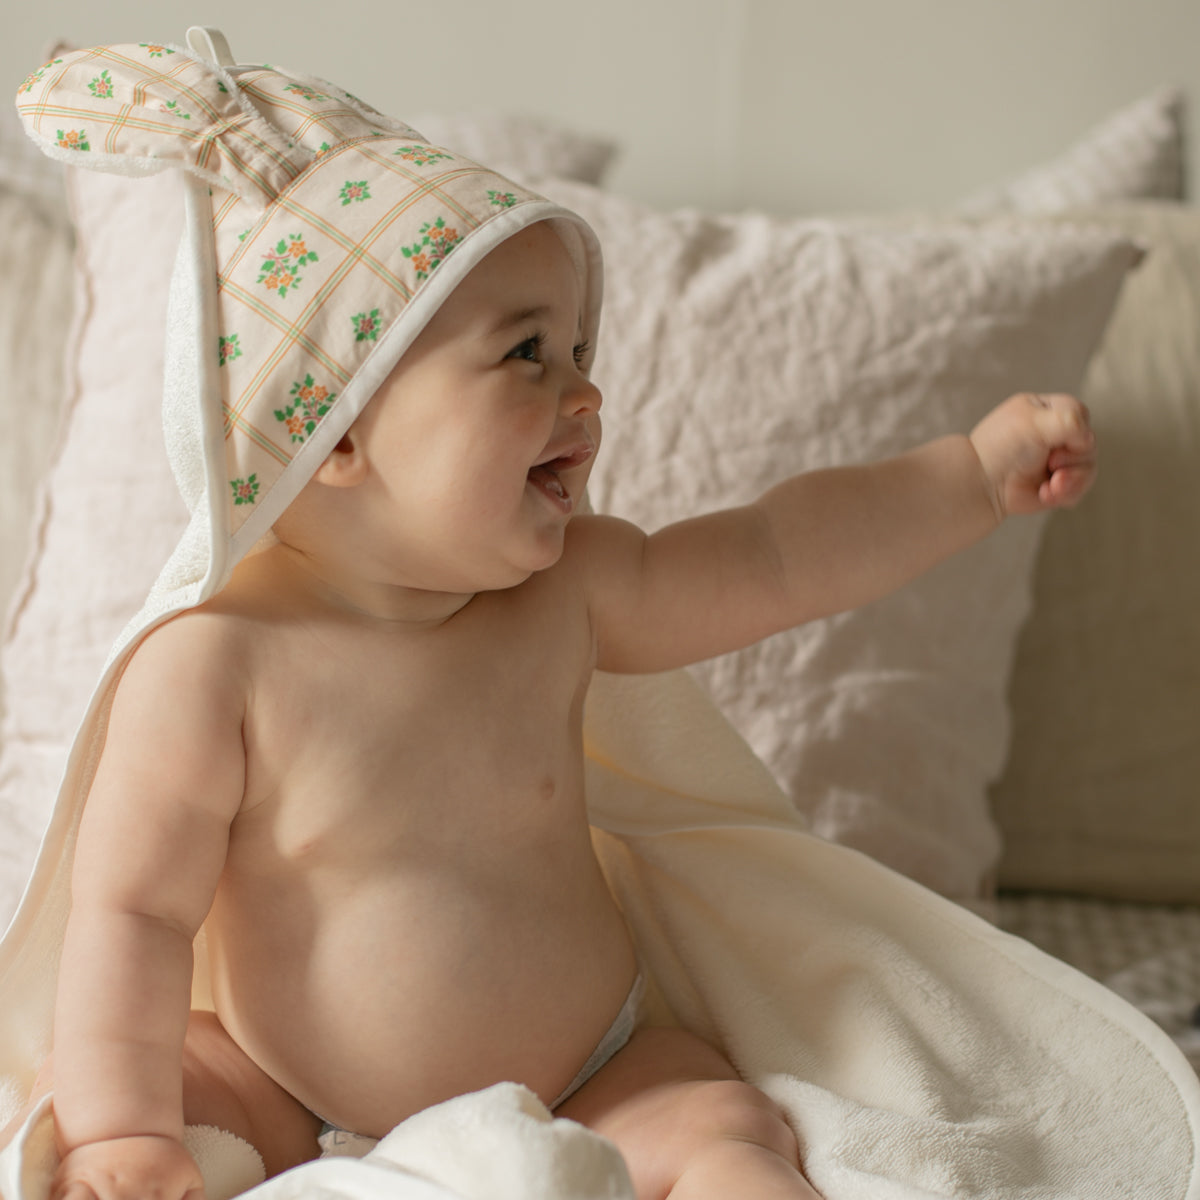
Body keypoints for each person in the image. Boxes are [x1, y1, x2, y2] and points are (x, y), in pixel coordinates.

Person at [8, 41, 1097, 1200]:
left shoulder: (565, 592)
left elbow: (776, 553)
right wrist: (127, 1130)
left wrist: (970, 479)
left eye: (579, 349)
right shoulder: (216, 665)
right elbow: (131, 914)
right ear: (331, 434)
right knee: (155, 1087)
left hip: (594, 1071)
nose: (585, 393)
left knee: (723, 1117)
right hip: (291, 1090)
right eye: (525, 354)